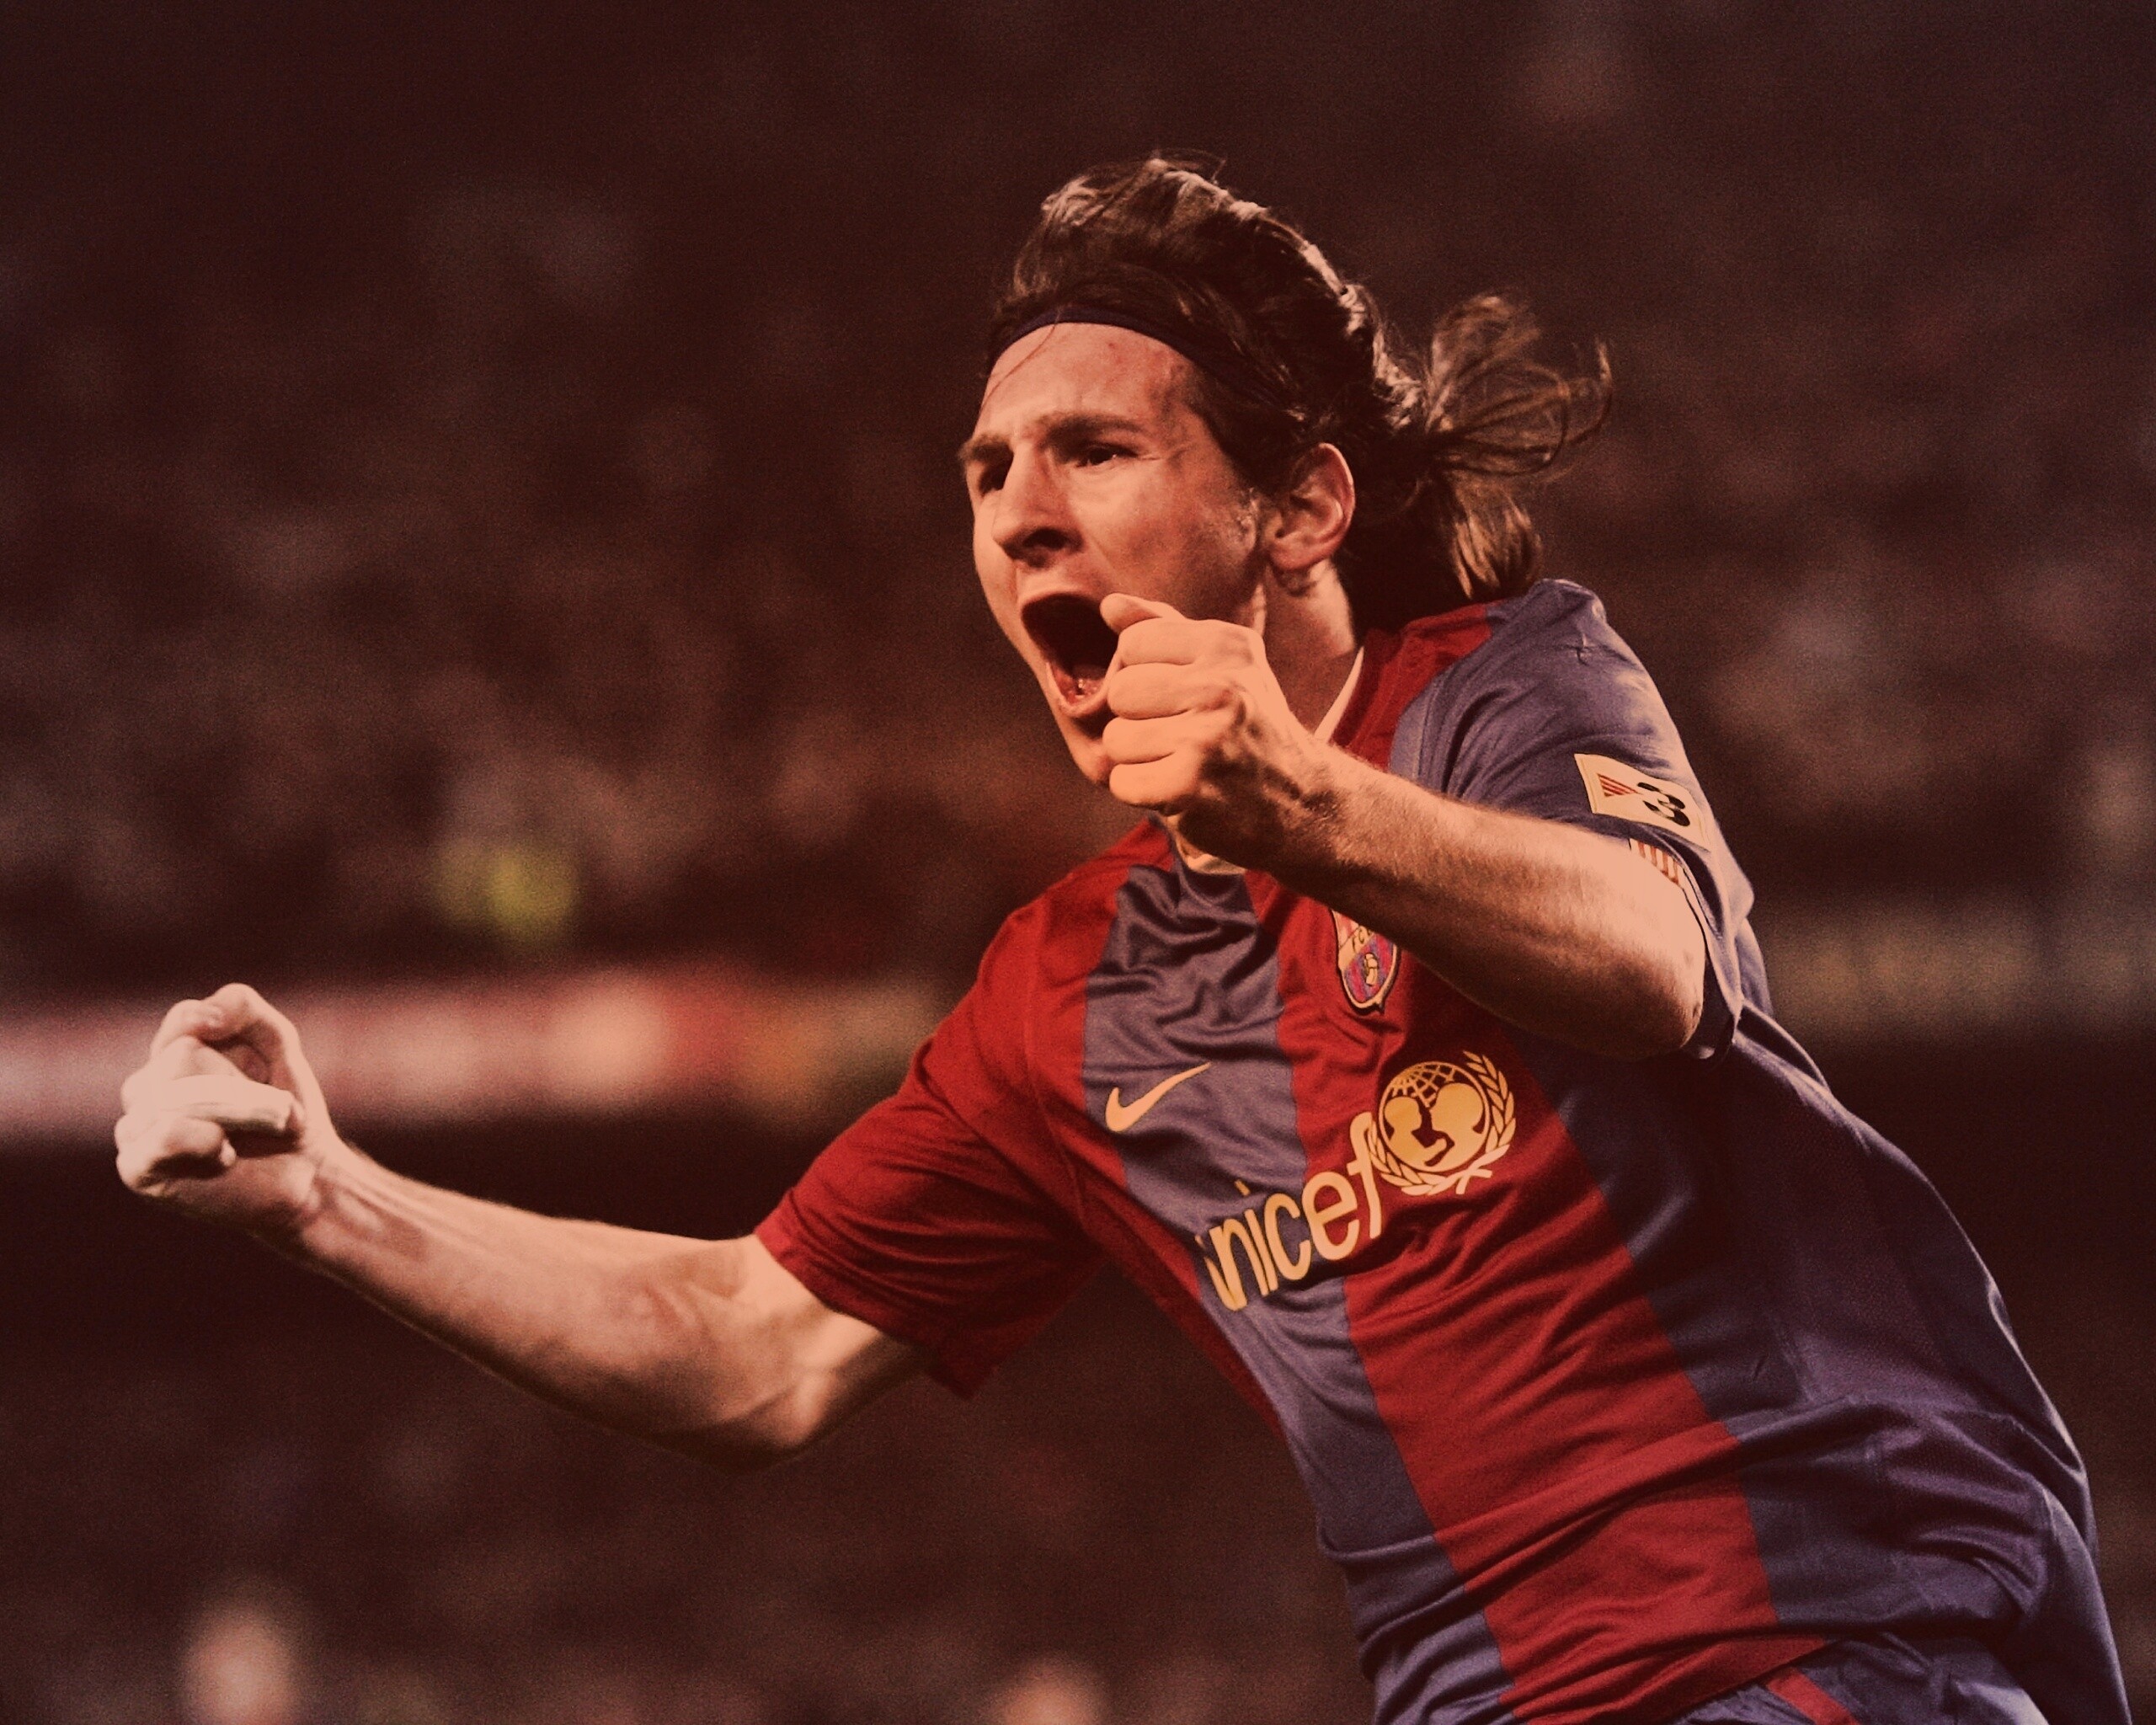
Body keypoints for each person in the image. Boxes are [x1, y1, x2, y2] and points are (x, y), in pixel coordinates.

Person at [115, 158, 2126, 1725]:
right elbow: (748, 1346)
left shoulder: (1497, 689)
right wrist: (328, 1199)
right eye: (985, 471)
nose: (1016, 513)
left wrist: (1299, 804)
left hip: (1821, 1647)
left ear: (1298, 507)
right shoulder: (1067, 995)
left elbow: (1652, 961)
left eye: (1092, 449)